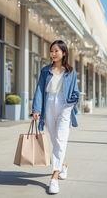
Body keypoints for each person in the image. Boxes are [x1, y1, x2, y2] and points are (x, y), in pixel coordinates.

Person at [30, 40, 80, 194]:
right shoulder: (45, 70)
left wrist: (70, 105)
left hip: (64, 105)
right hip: (49, 104)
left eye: (56, 50)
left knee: (60, 140)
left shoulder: (70, 71)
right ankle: (63, 164)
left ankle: (54, 177)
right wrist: (36, 109)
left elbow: (75, 92)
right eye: (51, 51)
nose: (53, 53)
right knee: (54, 139)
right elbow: (39, 89)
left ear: (64, 52)